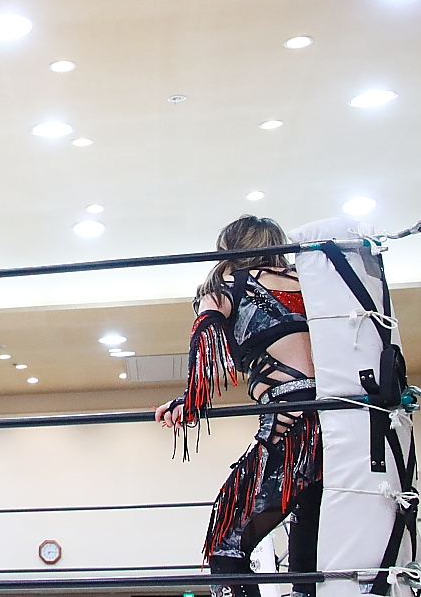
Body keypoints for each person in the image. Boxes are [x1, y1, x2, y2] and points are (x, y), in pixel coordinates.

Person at [154, 216, 322, 597]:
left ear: (230, 250)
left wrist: (192, 401)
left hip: (289, 427)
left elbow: (206, 345)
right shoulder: (311, 283)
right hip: (339, 424)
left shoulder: (229, 284)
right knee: (307, 552)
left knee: (225, 546)